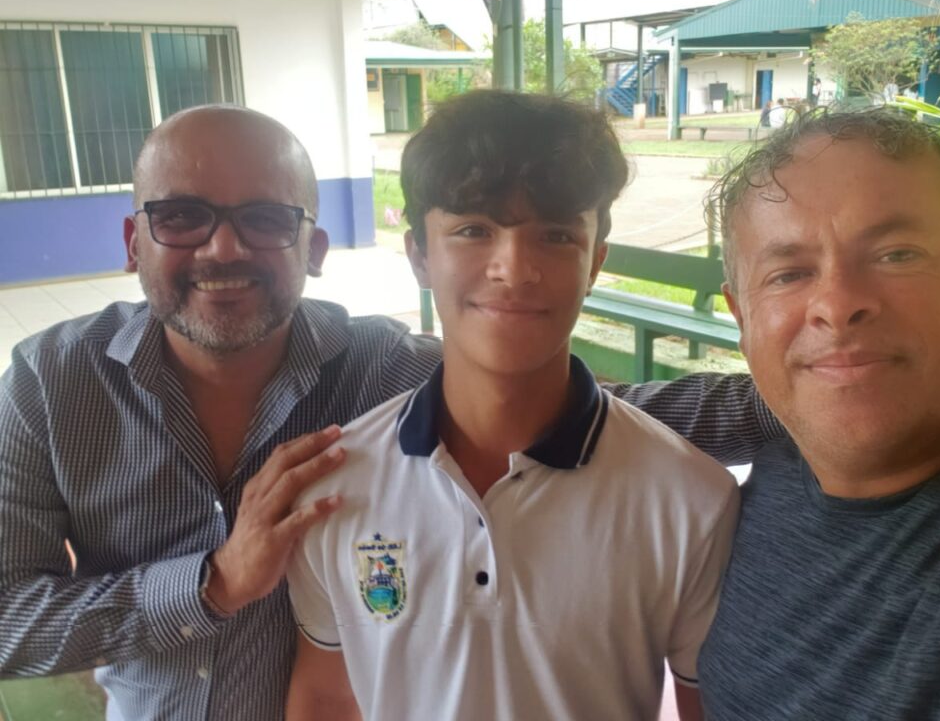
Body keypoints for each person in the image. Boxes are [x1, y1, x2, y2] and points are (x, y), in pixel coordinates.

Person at [0, 103, 779, 720]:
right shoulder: (50, 384)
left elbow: (562, 399)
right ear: (135, 240)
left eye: (266, 220)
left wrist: (813, 398)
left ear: (313, 249)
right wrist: (212, 585)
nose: (222, 249)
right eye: (181, 218)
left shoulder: (376, 366)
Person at [285, 89, 740, 721]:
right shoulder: (335, 486)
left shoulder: (691, 499)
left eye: (555, 236)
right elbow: (328, 696)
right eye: (474, 230)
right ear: (419, 254)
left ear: (596, 263)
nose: (514, 268)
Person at [625, 107, 940, 719]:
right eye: (789, 274)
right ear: (742, 319)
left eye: (897, 254)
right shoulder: (761, 478)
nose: (837, 306)